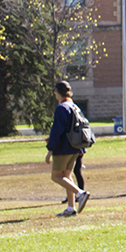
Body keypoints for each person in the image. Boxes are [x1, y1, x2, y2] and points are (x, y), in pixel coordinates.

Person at [45, 80, 90, 217]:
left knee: (56, 176)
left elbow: (57, 130)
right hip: (75, 147)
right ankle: (71, 208)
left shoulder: (61, 108)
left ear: (58, 93)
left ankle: (80, 194)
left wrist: (50, 148)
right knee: (66, 175)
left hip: (63, 148)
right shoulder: (74, 106)